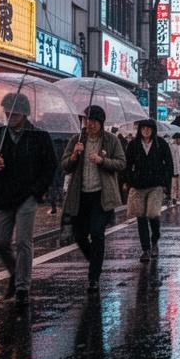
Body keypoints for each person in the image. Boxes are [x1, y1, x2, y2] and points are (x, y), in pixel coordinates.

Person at [0, 92, 57, 306]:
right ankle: (15, 271)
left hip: (27, 195)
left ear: (25, 113)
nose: (11, 114)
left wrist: (37, 191)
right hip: (2, 195)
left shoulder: (39, 136)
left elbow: (50, 166)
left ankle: (22, 286)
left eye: (15, 111)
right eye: (8, 110)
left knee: (24, 241)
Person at [62, 105, 125, 291]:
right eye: (87, 120)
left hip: (101, 195)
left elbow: (121, 163)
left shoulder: (111, 140)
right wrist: (74, 155)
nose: (90, 124)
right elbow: (65, 165)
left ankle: (93, 277)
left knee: (97, 233)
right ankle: (95, 261)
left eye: (94, 121)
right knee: (79, 235)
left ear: (101, 123)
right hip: (79, 195)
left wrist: (102, 161)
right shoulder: (77, 140)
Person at [124, 119, 173, 262]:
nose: (146, 131)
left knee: (152, 214)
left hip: (155, 185)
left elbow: (169, 164)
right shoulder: (133, 144)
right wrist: (129, 181)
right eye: (143, 128)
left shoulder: (160, 144)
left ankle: (155, 239)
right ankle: (145, 249)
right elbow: (127, 164)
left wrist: (165, 183)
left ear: (153, 130)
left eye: (148, 128)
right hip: (138, 185)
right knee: (140, 217)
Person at [169, 133, 180, 204]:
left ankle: (179, 198)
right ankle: (173, 198)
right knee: (173, 184)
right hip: (174, 168)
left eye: (178, 139)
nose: (176, 140)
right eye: (175, 139)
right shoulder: (171, 145)